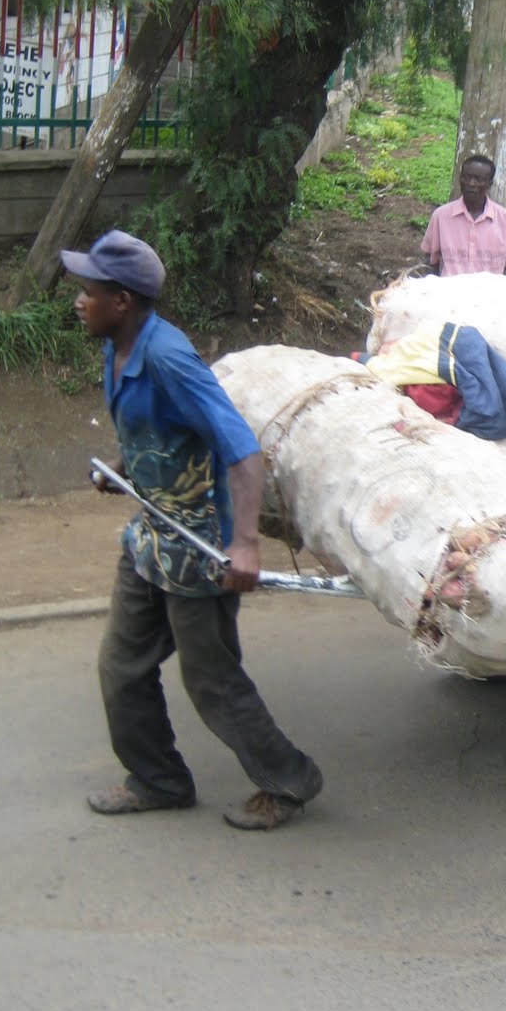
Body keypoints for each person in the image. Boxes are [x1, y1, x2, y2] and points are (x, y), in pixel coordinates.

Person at [61, 230, 323, 830]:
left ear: (122, 301)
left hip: (201, 549)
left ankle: (290, 779)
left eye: (89, 292)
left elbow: (240, 449)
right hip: (151, 536)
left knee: (211, 680)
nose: (80, 301)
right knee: (121, 666)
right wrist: (125, 467)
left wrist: (246, 543)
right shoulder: (116, 347)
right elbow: (159, 428)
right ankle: (158, 779)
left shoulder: (168, 358)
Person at [421, 153, 506, 276]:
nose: (471, 183)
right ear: (460, 179)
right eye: (467, 177)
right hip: (449, 293)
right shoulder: (440, 216)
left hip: (490, 294)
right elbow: (430, 262)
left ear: (489, 184)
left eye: (478, 179)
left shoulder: (505, 220)